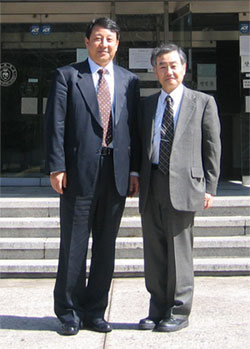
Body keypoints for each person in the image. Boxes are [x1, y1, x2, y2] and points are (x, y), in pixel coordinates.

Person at [45, 17, 140, 336]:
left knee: (105, 246)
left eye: (110, 39)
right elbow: (56, 125)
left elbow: (133, 130)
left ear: (118, 44)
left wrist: (134, 169)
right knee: (73, 244)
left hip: (116, 172)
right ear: (87, 42)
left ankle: (95, 310)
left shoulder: (129, 81)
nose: (104, 44)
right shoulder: (67, 76)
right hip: (77, 174)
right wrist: (57, 165)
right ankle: (69, 311)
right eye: (98, 38)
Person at [130, 43, 221, 332]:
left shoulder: (202, 102)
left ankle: (179, 311)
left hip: (185, 185)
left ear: (184, 68)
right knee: (154, 251)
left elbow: (212, 146)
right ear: (154, 70)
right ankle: (157, 308)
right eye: (162, 66)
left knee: (179, 251)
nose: (168, 71)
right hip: (152, 181)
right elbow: (139, 144)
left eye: (173, 65)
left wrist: (210, 186)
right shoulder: (147, 105)